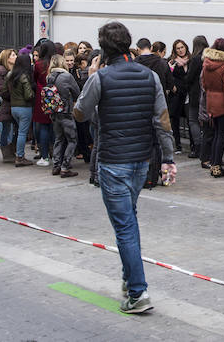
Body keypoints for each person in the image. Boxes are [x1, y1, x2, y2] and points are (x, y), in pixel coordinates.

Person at [74, 21, 175, 314]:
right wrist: (168, 158)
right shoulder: (150, 77)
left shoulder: (100, 78)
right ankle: (128, 278)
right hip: (141, 163)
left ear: (103, 50)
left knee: (125, 228)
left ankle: (138, 292)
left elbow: (79, 113)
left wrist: (91, 78)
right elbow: (163, 121)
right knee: (129, 220)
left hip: (113, 162)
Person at [201, 38, 224, 178]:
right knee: (221, 135)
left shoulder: (206, 63)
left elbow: (204, 84)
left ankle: (213, 162)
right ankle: (217, 167)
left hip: (210, 102)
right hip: (223, 103)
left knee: (215, 134)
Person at [46, 54, 80, 177]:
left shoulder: (49, 77)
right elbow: (77, 93)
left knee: (58, 139)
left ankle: (56, 166)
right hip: (66, 112)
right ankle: (65, 167)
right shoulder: (67, 76)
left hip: (54, 113)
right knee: (72, 140)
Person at [6, 53, 35, 166]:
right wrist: (33, 93)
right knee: (22, 133)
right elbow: (28, 95)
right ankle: (20, 156)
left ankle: (18, 154)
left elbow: (4, 90)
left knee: (19, 132)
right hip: (24, 108)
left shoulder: (11, 75)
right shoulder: (24, 77)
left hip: (14, 107)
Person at [33, 40, 55, 166]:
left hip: (41, 96)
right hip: (54, 94)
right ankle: (56, 154)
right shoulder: (54, 63)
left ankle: (45, 156)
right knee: (54, 126)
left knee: (43, 127)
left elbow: (35, 79)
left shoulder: (38, 64)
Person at [186, 35, 208, 159]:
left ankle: (198, 147)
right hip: (207, 94)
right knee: (206, 123)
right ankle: (206, 147)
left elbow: (189, 78)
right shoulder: (209, 57)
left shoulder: (195, 59)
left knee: (193, 120)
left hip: (195, 94)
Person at [168, 39, 190, 154]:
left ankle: (193, 145)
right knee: (175, 119)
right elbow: (168, 76)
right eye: (178, 48)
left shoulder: (191, 60)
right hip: (176, 95)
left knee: (190, 120)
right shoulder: (172, 62)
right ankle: (178, 145)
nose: (181, 50)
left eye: (182, 47)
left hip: (188, 95)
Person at [0, 49, 17, 162]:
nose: (15, 56)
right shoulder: (2, 71)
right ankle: (6, 153)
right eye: (13, 55)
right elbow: (2, 90)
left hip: (12, 104)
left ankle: (10, 150)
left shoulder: (11, 70)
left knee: (12, 128)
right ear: (7, 58)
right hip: (7, 105)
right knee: (6, 128)